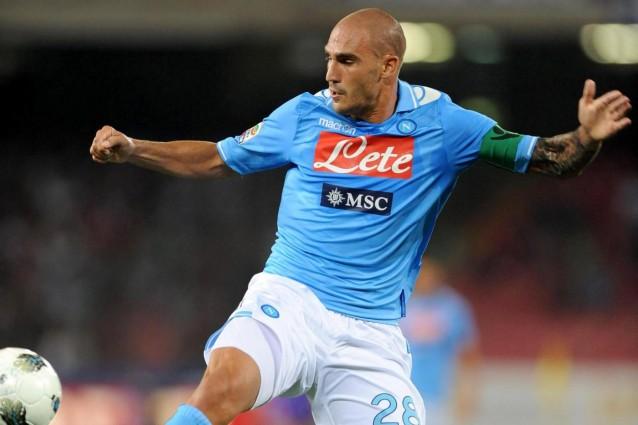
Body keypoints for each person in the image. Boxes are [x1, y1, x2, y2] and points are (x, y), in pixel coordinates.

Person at [89, 8, 631, 425]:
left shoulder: (444, 125)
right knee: (224, 383)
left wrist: (585, 138)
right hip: (291, 299)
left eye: (346, 61)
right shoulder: (304, 115)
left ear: (388, 66)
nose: (330, 73)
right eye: (329, 59)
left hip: (371, 332)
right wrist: (134, 148)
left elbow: (550, 158)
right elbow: (215, 157)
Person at [400, 259, 480, 425]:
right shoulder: (398, 301)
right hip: (401, 388)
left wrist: (467, 392)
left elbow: (468, 353)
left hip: (438, 394)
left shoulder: (453, 306)